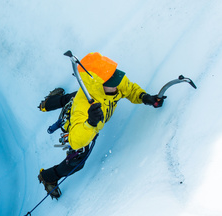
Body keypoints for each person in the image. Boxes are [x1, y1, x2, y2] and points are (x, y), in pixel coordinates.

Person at [37, 52, 165, 199]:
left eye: (116, 77)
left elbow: (129, 89)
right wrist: (90, 123)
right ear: (99, 85)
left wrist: (144, 97)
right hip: (83, 125)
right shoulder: (83, 106)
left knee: (72, 96)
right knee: (77, 161)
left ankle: (48, 103)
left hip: (91, 101)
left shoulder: (111, 79)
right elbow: (75, 140)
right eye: (112, 83)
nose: (117, 84)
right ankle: (48, 177)